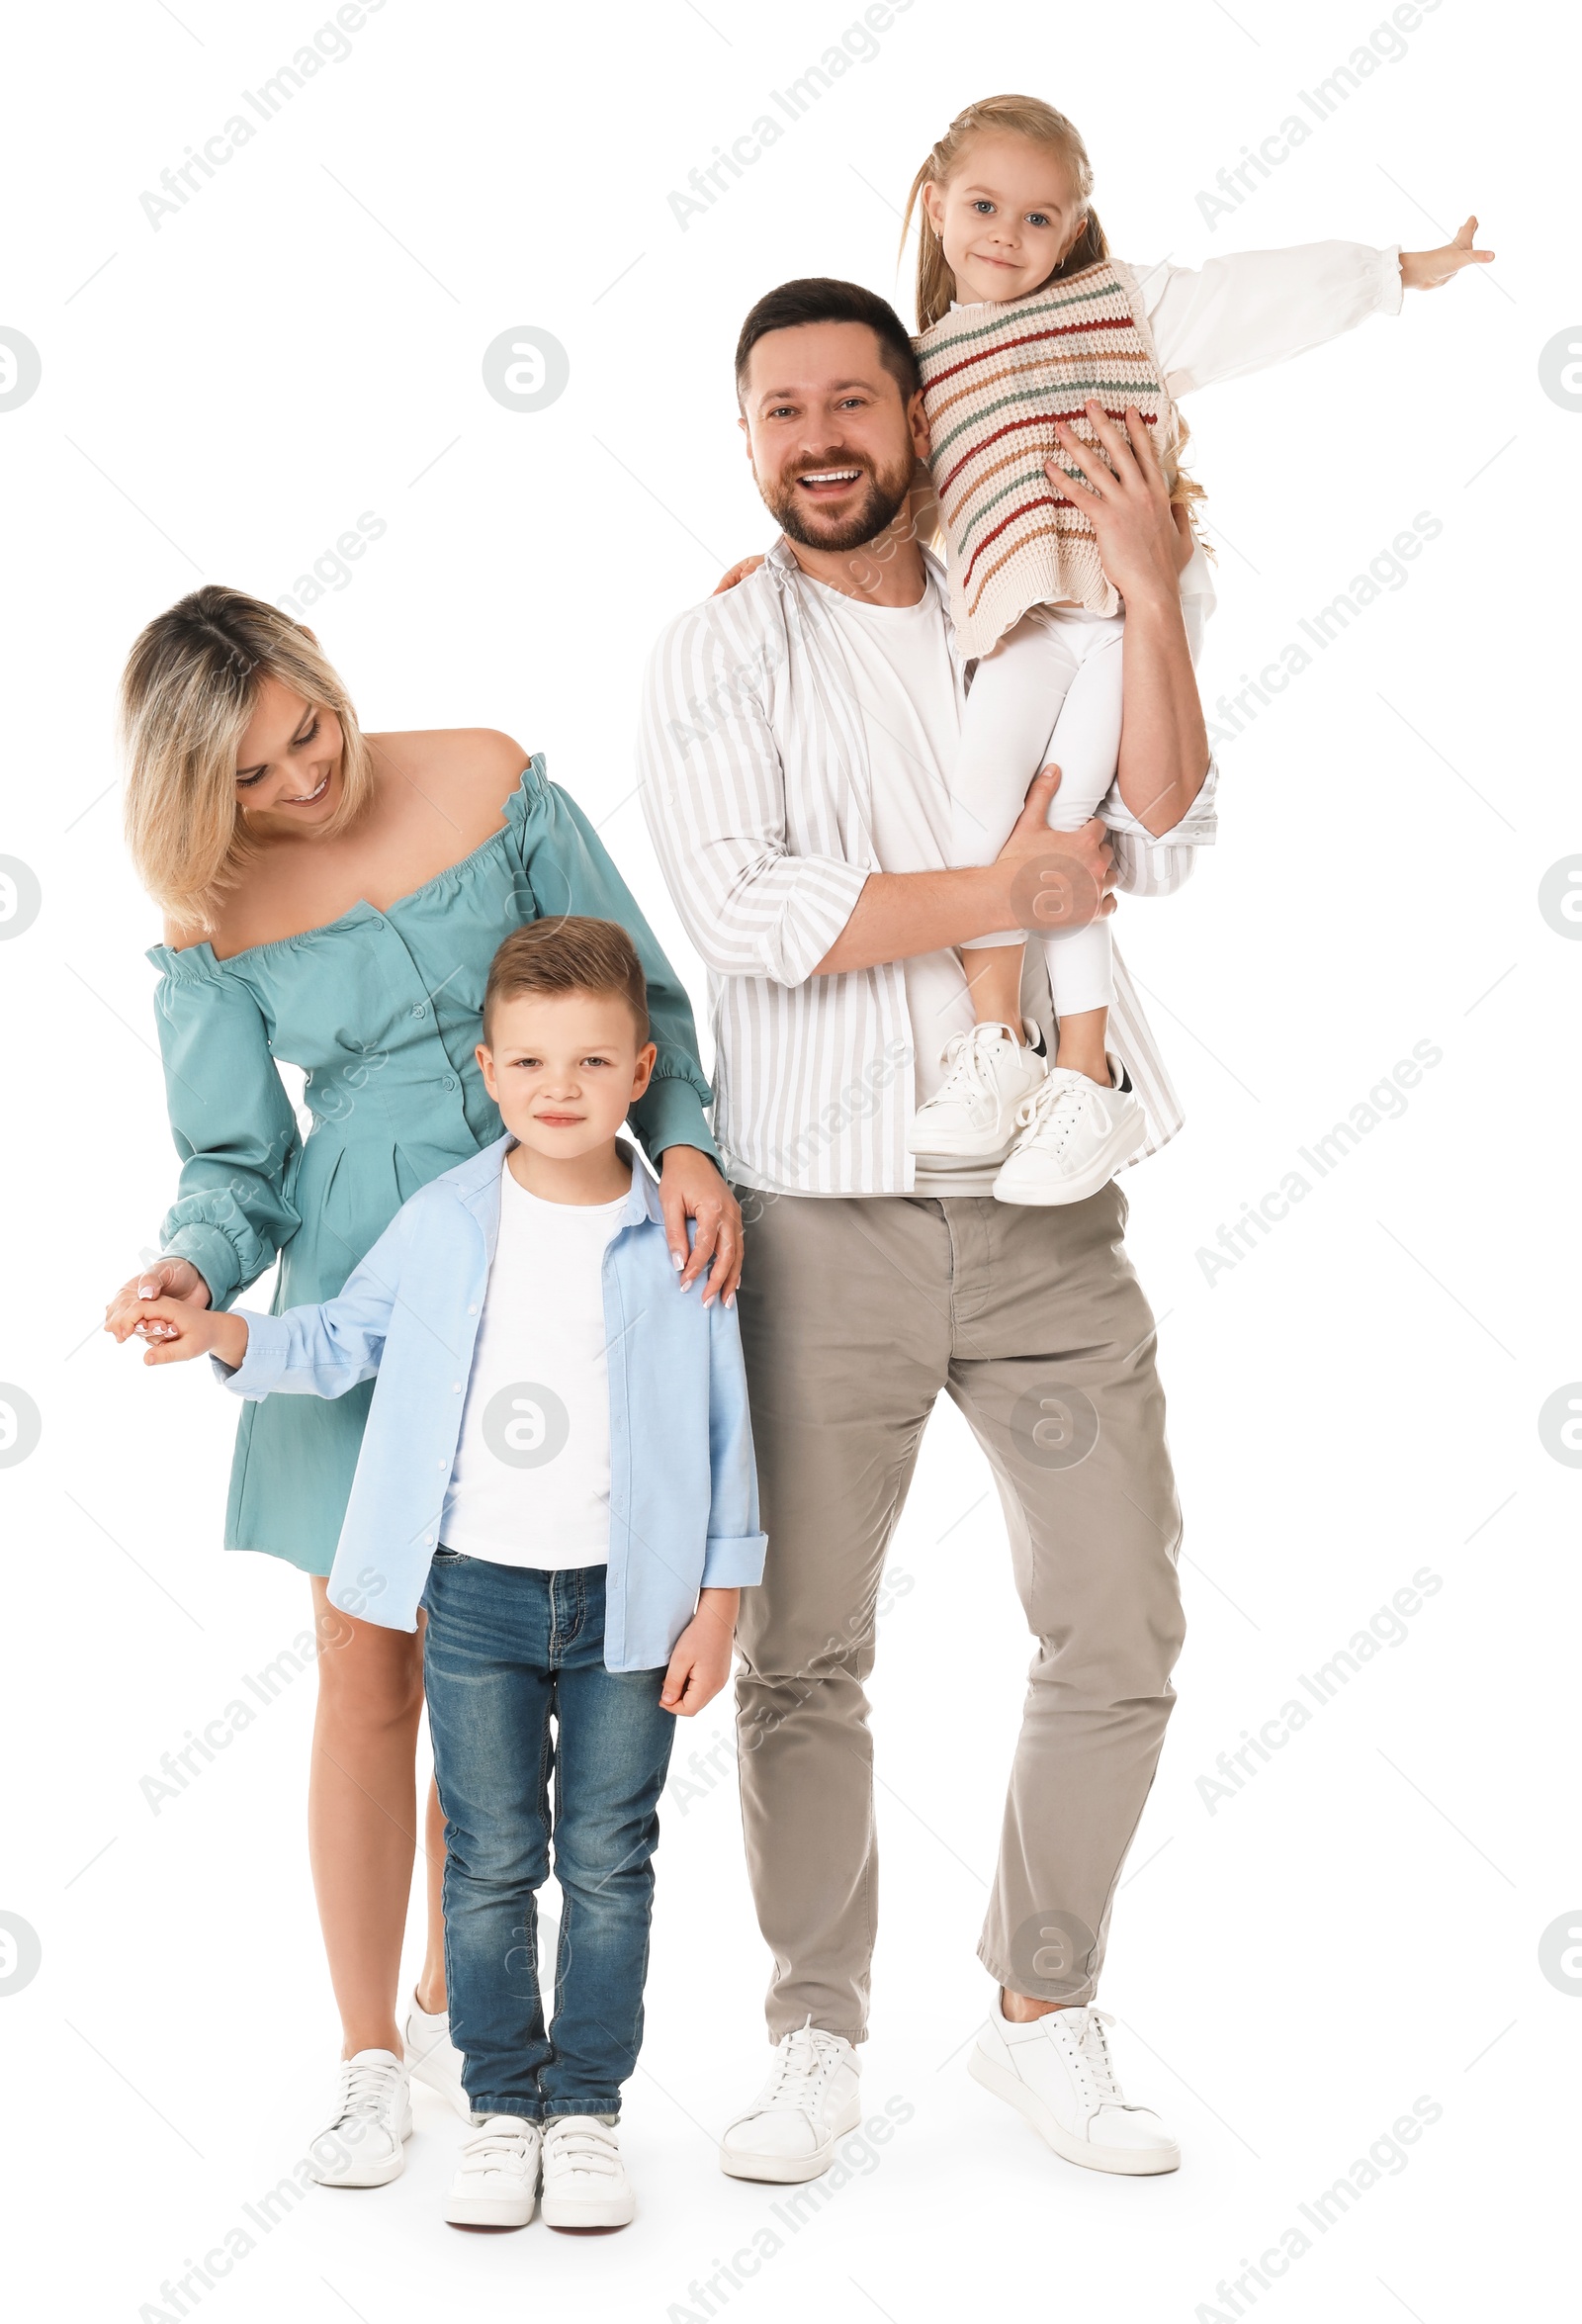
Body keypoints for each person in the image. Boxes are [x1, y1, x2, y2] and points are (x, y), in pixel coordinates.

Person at [640, 273, 1210, 2184]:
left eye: (850, 403)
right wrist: (1009, 879)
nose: (817, 440)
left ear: (915, 414)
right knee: (803, 1648)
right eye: (779, 412)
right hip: (822, 1221)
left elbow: (1176, 827)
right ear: (749, 442)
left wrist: (1143, 585)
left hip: (1052, 1195)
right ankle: (815, 2033)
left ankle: (1040, 2012)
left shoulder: (1024, 590)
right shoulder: (722, 648)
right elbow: (746, 907)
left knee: (1119, 1616)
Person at [104, 590, 743, 2181]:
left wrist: (692, 1152)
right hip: (359, 1274)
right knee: (367, 1660)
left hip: (570, 1235)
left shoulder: (490, 778)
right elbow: (236, 1162)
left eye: (309, 728)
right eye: (254, 775)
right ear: (197, 791)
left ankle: (476, 1999)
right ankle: (371, 2052)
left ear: (328, 682)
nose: (306, 778)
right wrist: (197, 1265)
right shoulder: (211, 921)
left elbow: (639, 997)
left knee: (524, 1613)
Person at [897, 92, 1490, 1202]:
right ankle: (1001, 1048)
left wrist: (1392, 269)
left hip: (1123, 617)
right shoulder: (920, 371)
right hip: (1025, 622)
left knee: (1067, 824)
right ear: (934, 207)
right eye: (982, 206)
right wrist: (772, 570)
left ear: (1073, 229)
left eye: (1039, 219)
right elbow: (887, 505)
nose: (1005, 236)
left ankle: (1085, 1077)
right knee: (981, 812)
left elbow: (1251, 296)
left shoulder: (1120, 308)